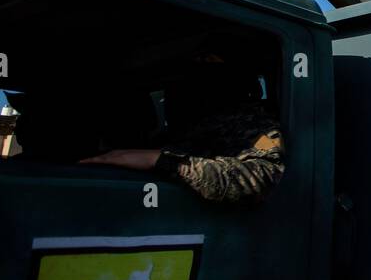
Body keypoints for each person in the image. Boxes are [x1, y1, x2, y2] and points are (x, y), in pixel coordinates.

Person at [78, 58, 284, 204]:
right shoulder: (183, 130)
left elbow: (263, 177)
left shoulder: (250, 121)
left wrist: (164, 161)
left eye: (208, 69)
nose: (178, 94)